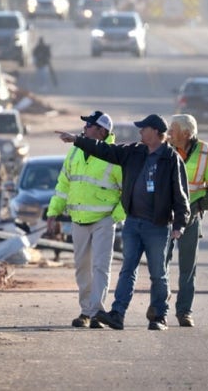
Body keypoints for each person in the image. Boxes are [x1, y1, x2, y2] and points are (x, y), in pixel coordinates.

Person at [56, 113, 189, 331]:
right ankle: (117, 314)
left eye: (143, 129)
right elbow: (105, 150)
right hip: (133, 223)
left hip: (157, 226)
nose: (139, 132)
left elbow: (180, 194)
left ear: (156, 132)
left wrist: (179, 224)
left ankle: (159, 317)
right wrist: (77, 140)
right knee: (127, 270)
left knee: (158, 273)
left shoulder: (171, 159)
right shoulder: (134, 152)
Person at [46, 111, 126, 329]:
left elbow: (127, 191)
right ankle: (85, 311)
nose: (84, 128)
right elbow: (63, 185)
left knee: (100, 266)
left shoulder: (114, 155)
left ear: (102, 131)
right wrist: (53, 212)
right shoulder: (75, 152)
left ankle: (96, 311)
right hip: (79, 219)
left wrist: (114, 217)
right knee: (82, 267)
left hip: (103, 220)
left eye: (89, 125)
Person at [158, 114, 208, 327]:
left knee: (188, 269)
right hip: (165, 217)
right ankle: (160, 307)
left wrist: (197, 207)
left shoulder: (207, 153)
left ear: (187, 134)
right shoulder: (163, 149)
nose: (169, 133)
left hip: (190, 218)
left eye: (173, 129)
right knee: (160, 265)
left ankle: (184, 311)